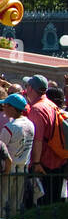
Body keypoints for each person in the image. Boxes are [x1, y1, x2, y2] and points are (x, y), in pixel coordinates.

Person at [25, 74, 67, 206]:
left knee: (43, 204)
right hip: (58, 160)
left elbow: (37, 139)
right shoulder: (51, 105)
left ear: (31, 89)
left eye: (27, 86)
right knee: (54, 202)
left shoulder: (37, 109)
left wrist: (36, 163)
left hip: (44, 164)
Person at [0, 93, 34, 216]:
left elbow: (0, 148)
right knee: (16, 203)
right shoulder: (30, 125)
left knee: (3, 202)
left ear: (12, 108)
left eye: (5, 106)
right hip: (23, 168)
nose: (4, 109)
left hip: (8, 170)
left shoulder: (10, 127)